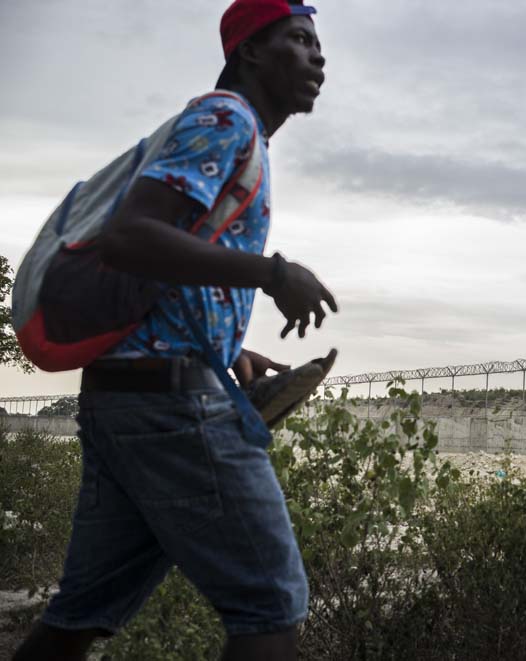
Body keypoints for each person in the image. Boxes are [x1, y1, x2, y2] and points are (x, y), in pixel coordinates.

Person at [14, 1, 333, 659]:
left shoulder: (234, 134)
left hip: (126, 400)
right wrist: (272, 273)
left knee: (81, 612)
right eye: (299, 39)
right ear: (249, 50)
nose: (318, 56)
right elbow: (132, 238)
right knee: (270, 605)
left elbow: (162, 261)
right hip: (172, 411)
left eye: (317, 44)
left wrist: (225, 352)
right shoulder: (224, 120)